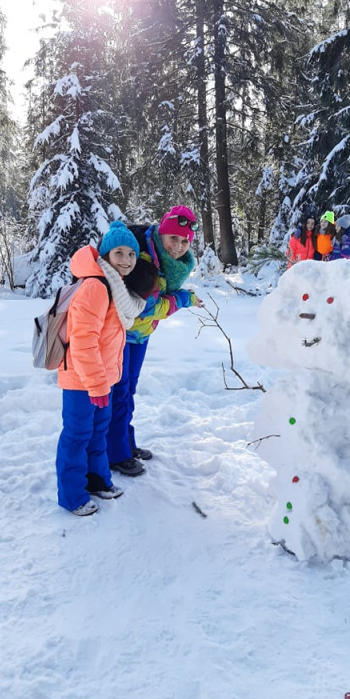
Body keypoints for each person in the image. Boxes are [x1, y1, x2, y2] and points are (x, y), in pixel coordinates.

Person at [55, 221, 146, 516]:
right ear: (106, 255)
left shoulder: (113, 286)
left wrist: (106, 380)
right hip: (81, 380)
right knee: (77, 434)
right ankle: (71, 495)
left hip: (101, 379)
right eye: (119, 252)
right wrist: (96, 384)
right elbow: (83, 341)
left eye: (131, 254)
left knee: (97, 432)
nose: (127, 260)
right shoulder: (95, 287)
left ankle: (96, 480)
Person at [106, 205, 204, 476]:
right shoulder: (145, 261)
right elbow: (147, 307)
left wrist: (181, 297)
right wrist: (184, 300)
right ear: (162, 232)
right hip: (121, 334)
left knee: (129, 390)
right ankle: (117, 454)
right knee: (120, 392)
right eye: (174, 238)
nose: (179, 246)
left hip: (140, 334)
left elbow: (159, 298)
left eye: (185, 241)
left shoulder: (166, 262)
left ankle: (125, 443)